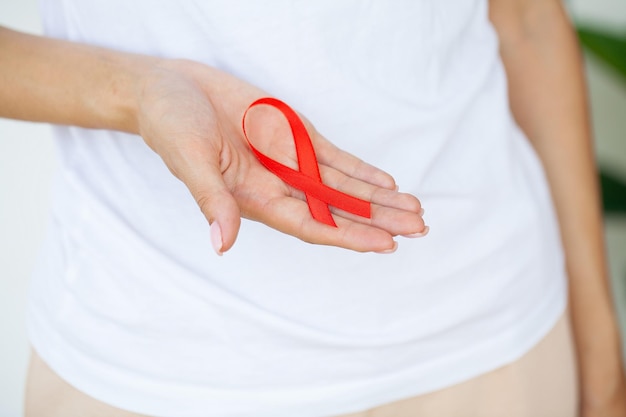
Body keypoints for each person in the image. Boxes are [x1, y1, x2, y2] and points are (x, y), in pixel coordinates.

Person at [1, 0, 625, 416]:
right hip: (154, 369)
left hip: (496, 345)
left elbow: (526, 23)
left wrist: (600, 347)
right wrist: (134, 92)